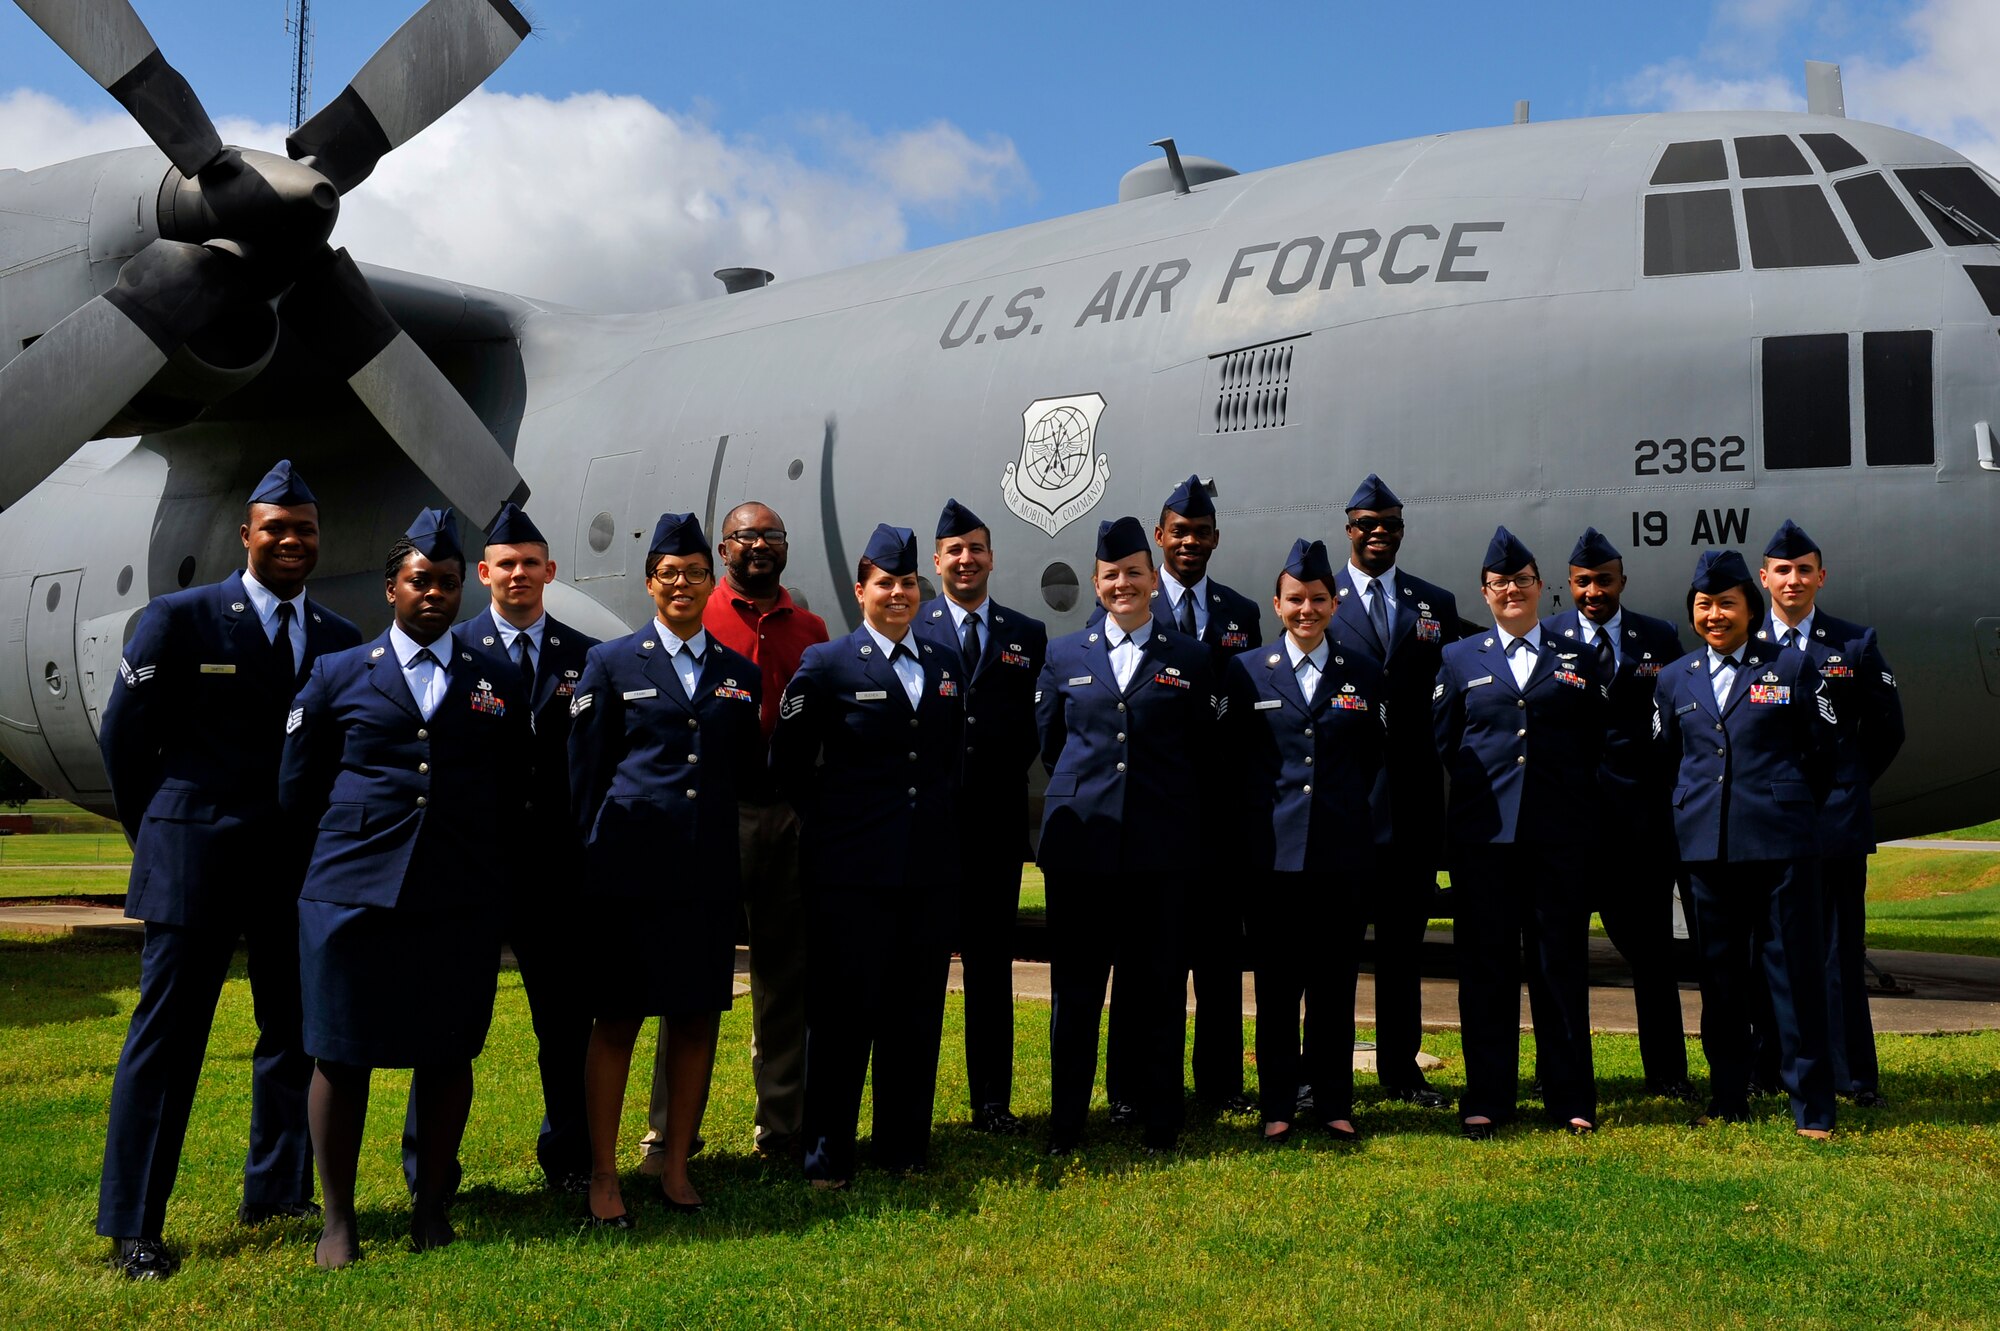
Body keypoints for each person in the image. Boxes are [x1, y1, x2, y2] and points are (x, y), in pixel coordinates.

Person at [93, 461, 361, 1280]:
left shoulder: (341, 640)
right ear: (245, 534)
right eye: (275, 527)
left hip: (293, 869)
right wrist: (164, 837)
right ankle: (135, 1224)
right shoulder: (180, 620)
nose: (291, 540)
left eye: (304, 528)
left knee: (293, 1033)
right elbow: (124, 741)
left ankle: (275, 1189)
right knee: (167, 1041)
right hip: (196, 861)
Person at [278, 507, 530, 1267]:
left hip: (455, 895)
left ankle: (431, 1209)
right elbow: (298, 788)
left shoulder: (496, 680)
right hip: (352, 893)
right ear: (393, 586)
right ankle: (338, 1220)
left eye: (450, 583)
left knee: (448, 1053)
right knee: (339, 1056)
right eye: (423, 580)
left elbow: (511, 784)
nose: (438, 594)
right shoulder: (336, 673)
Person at [401, 503, 601, 1198]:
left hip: (557, 871)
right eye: (505, 564)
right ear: (483, 573)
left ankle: (570, 1156)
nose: (519, 575)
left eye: (531, 563)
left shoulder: (588, 658)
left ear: (550, 570)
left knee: (567, 1024)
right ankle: (431, 1169)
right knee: (446, 1018)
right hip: (473, 867)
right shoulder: (449, 651)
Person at [567, 513, 762, 1224]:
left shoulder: (739, 675)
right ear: (650, 582)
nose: (682, 583)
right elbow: (585, 777)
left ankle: (676, 1164)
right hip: (629, 876)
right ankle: (602, 1172)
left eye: (694, 571)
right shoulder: (612, 663)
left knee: (693, 1019)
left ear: (711, 579)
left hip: (705, 877)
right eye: (669, 572)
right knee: (616, 1021)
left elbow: (744, 771)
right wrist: (595, 861)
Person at [771, 524, 966, 1187]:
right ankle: (828, 1152)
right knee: (843, 1016)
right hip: (850, 874)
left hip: (926, 871)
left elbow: (948, 762)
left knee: (915, 1013)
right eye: (885, 583)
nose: (898, 593)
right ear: (862, 591)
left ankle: (904, 1145)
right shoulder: (828, 665)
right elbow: (789, 762)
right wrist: (832, 825)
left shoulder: (943, 664)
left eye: (908, 583)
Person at [641, 500, 828, 1170]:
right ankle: (669, 1133)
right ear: (724, 549)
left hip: (787, 813)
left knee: (786, 979)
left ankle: (782, 1127)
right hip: (717, 811)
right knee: (690, 974)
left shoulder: (810, 628)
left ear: (784, 547)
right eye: (745, 535)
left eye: (770, 535)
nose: (758, 544)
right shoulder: (695, 614)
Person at [1037, 516, 1220, 1156]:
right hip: (1082, 851)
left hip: (1161, 851)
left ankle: (1159, 1117)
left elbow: (1202, 749)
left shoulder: (1191, 660)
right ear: (1096, 582)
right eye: (1111, 575)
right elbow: (1052, 743)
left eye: (1134, 574)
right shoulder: (1063, 656)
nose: (1124, 585)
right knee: (1077, 991)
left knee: (1161, 987)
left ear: (1153, 578)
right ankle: (1066, 1124)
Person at [1091, 474, 1263, 1118]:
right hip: (1150, 817)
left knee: (1219, 959)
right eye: (1179, 531)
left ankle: (1222, 1085)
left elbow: (1239, 713)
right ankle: (1129, 1090)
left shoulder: (1240, 615)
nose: (1189, 541)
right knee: (1140, 960)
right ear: (1160, 538)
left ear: (1215, 539)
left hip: (1215, 816)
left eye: (1201, 532)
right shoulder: (1125, 605)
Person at [1653, 549, 1839, 1140]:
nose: (1714, 615)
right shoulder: (1673, 678)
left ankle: (1812, 1106)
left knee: (1793, 974)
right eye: (1704, 605)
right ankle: (1728, 1097)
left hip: (1780, 846)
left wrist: (1783, 802)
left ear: (1750, 610)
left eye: (1727, 604)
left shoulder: (1788, 668)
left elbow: (1823, 752)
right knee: (1720, 978)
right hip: (1707, 850)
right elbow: (1667, 760)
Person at [1433, 527, 1609, 1138]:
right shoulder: (1459, 659)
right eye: (1500, 583)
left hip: (1557, 837)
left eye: (1523, 581)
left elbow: (1595, 742)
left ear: (1541, 588)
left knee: (1560, 965)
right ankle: (1488, 1096)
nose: (1512, 590)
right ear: (1485, 593)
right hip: (1485, 842)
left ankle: (1570, 1098)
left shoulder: (1578, 658)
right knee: (1486, 968)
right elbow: (1445, 743)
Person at [1222, 538, 1389, 1145]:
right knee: (1275, 987)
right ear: (1277, 603)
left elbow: (1376, 758)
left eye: (1318, 599)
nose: (1307, 610)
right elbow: (1234, 762)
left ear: (1334, 602)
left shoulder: (1365, 674)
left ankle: (1335, 1104)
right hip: (1271, 858)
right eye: (1295, 599)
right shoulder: (1245, 673)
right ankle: (1279, 1105)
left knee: (1334, 985)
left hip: (1340, 856)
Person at [1541, 526, 1696, 1101]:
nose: (1593, 591)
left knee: (1653, 958)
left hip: (1638, 830)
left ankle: (1668, 1073)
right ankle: (1558, 1071)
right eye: (1583, 582)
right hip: (1568, 829)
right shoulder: (1548, 637)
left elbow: (1680, 718)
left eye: (1604, 581)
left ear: (1621, 581)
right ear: (1571, 584)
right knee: (1559, 960)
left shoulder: (1656, 637)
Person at [1756, 519, 1905, 1107]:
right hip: (1765, 822)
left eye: (1805, 570)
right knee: (1768, 948)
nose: (1794, 580)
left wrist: (1846, 784)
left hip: (1833, 824)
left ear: (1822, 576)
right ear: (1765, 577)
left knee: (1837, 951)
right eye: (1783, 570)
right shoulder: (1747, 646)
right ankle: (1768, 1069)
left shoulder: (1853, 643)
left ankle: (1850, 1075)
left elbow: (1887, 730)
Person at [914, 498, 1048, 1135]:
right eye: (954, 551)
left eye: (976, 549)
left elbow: (1033, 726)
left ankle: (992, 1102)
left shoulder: (1026, 634)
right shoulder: (913, 627)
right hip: (931, 825)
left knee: (993, 968)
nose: (966, 560)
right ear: (936, 562)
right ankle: (911, 1104)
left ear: (992, 556)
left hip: (995, 826)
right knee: (921, 969)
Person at [1329, 473, 1460, 1109]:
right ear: (1348, 531)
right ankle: (1321, 1074)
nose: (1378, 533)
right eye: (1366, 525)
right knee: (1332, 950)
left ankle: (1401, 1071)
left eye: (1390, 526)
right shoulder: (1319, 601)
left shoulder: (1432, 603)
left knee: (1404, 951)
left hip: (1410, 805)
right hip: (1345, 806)